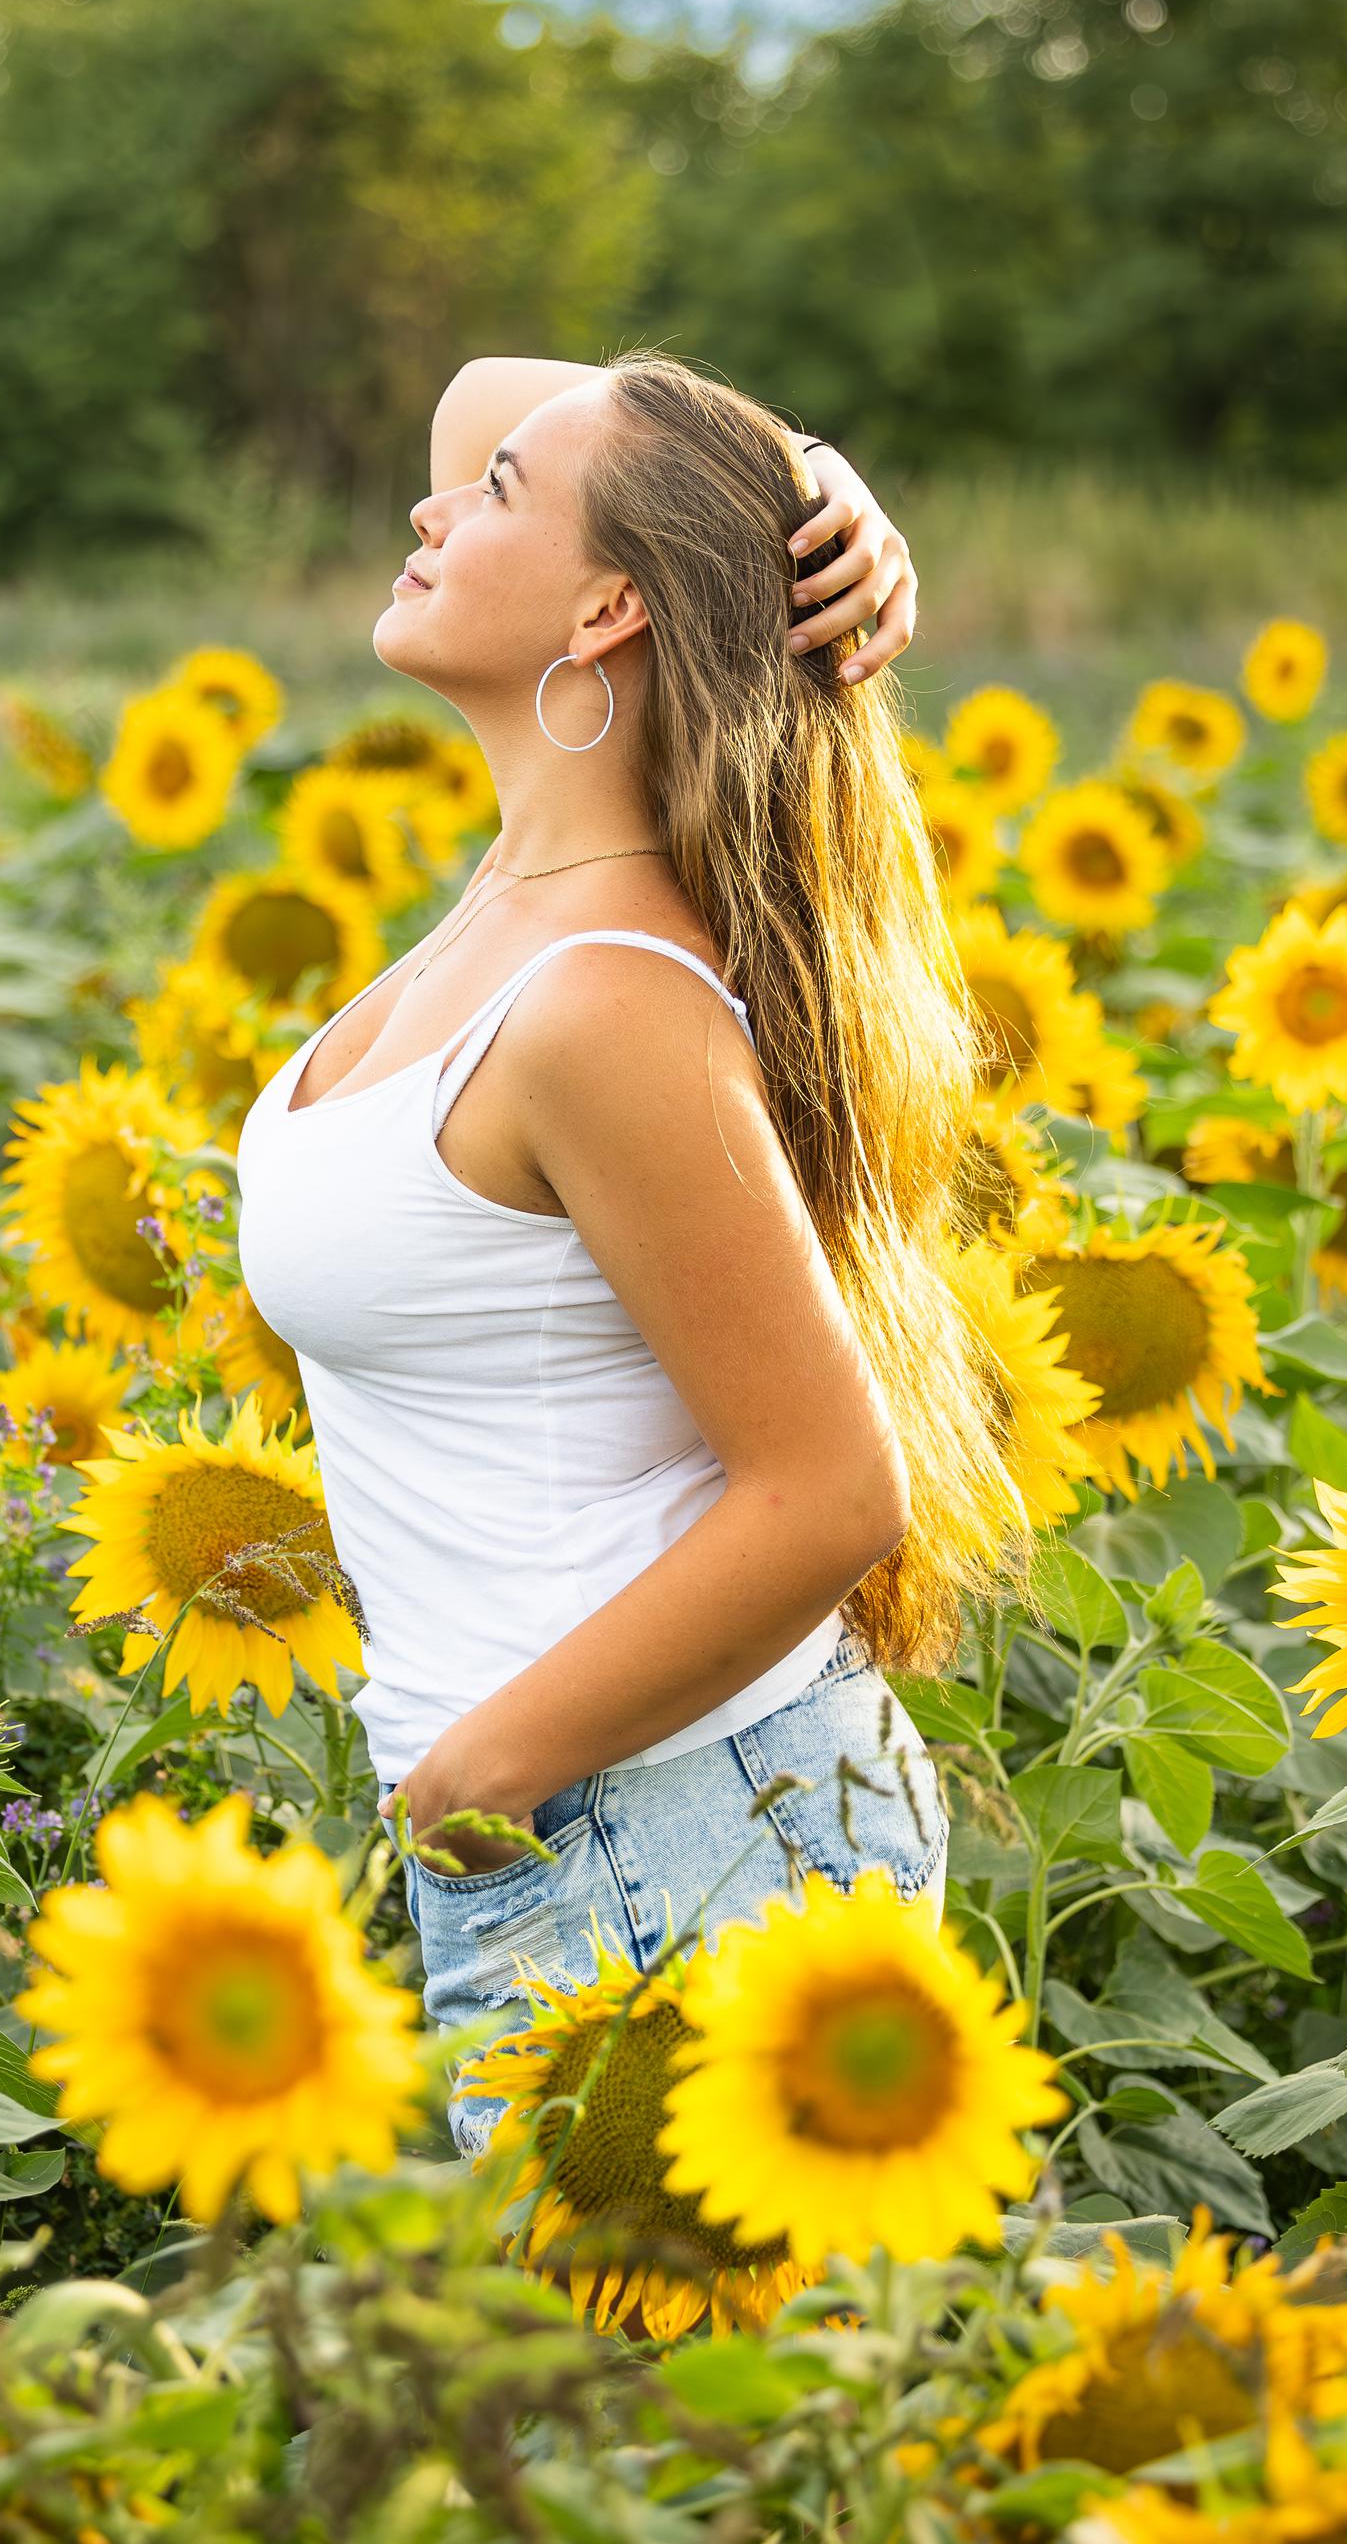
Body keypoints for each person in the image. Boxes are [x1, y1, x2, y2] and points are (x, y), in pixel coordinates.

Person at [233, 351, 1025, 2155]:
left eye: (495, 494)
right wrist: (796, 471)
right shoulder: (525, 908)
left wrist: (483, 1772)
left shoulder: (602, 999)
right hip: (609, 1827)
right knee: (612, 2434)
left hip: (665, 1835)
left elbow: (833, 1488)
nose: (431, 507)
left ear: (608, 609)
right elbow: (484, 394)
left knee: (687, 2436)